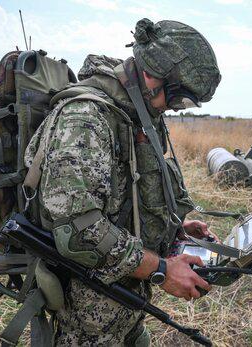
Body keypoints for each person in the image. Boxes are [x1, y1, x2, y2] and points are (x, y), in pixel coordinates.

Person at [24, 18, 222, 346]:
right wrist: (161, 269)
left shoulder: (135, 113)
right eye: (178, 99)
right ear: (151, 76)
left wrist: (177, 229)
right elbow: (79, 232)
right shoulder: (85, 121)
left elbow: (131, 196)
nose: (174, 108)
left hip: (127, 302)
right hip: (90, 317)